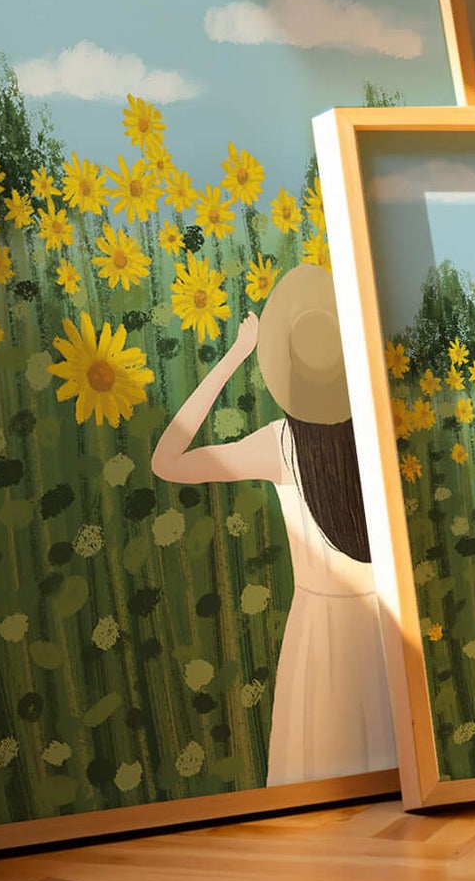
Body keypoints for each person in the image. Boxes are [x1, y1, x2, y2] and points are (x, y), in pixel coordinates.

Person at [151, 262, 394, 785]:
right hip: (383, 626)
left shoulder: (280, 443)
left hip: (320, 633)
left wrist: (233, 356)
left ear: (285, 367)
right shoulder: (376, 432)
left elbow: (167, 460)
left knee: (317, 784)